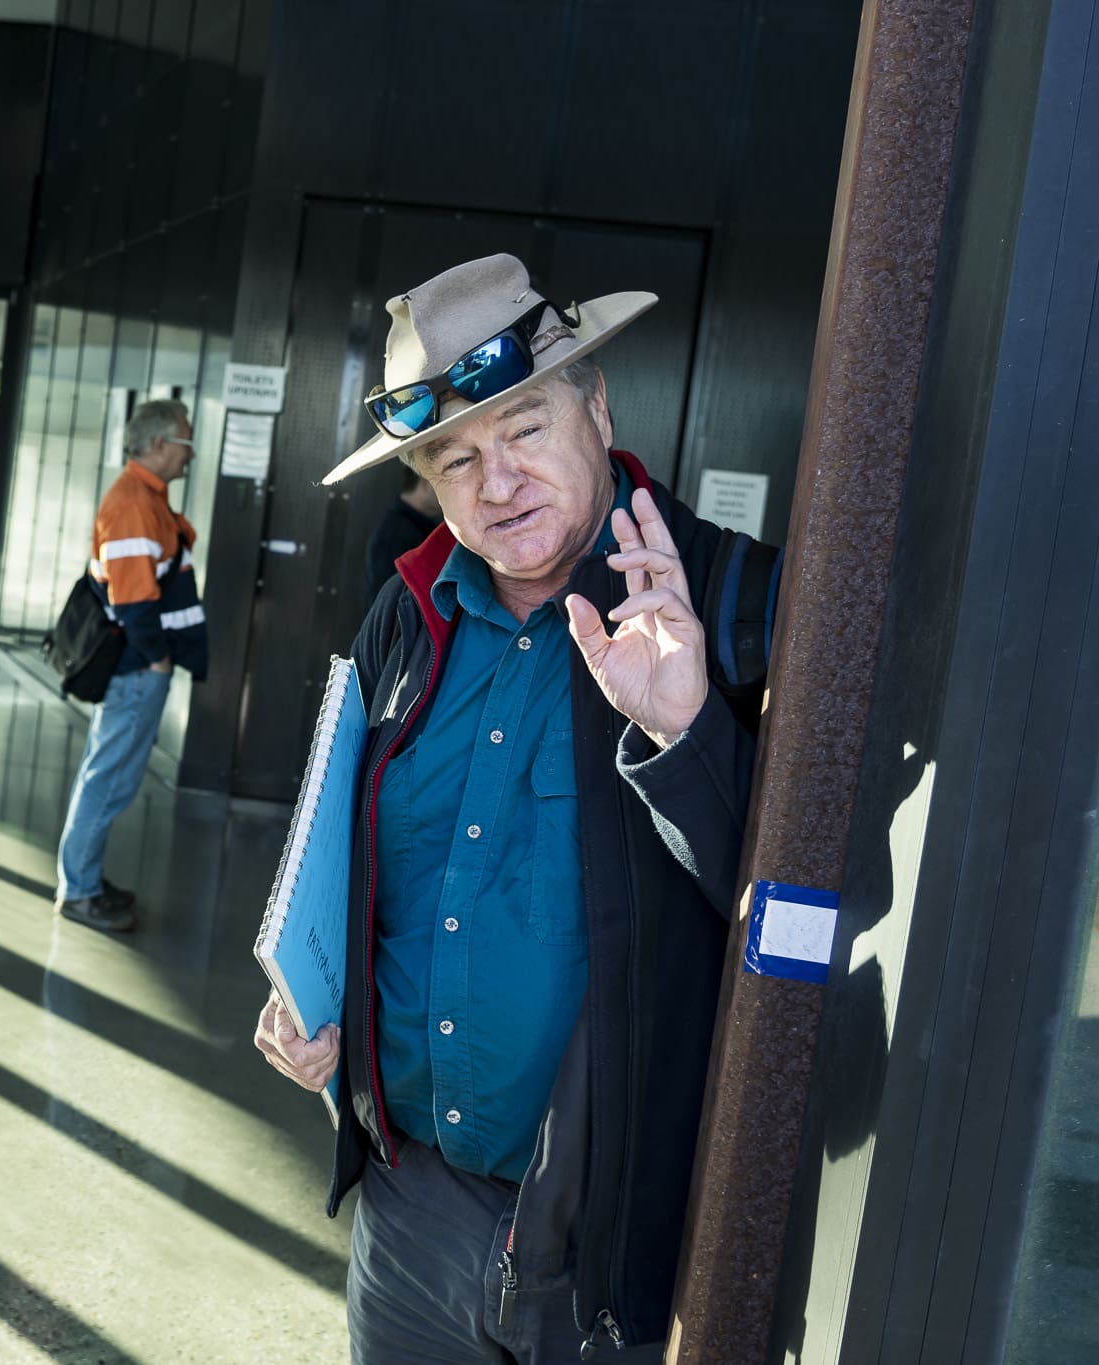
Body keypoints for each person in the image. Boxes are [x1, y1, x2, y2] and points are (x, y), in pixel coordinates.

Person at [254, 253, 779, 1361]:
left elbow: (808, 925)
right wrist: (314, 1003)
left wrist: (686, 733)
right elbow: (361, 868)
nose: (496, 484)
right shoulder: (404, 617)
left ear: (597, 407)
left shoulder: (740, 607)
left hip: (613, 1241)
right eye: (455, 458)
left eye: (524, 429)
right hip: (407, 1215)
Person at [53, 398, 209, 932]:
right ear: (160, 445)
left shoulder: (147, 499)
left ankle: (84, 881)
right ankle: (79, 891)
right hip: (137, 668)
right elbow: (134, 602)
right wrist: (159, 661)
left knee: (109, 775)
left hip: (140, 667)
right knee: (108, 778)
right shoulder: (133, 505)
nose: (191, 454)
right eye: (186, 443)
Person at [364, 463, 443, 605]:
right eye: (440, 482)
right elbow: (390, 604)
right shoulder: (396, 536)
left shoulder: (409, 527)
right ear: (425, 483)